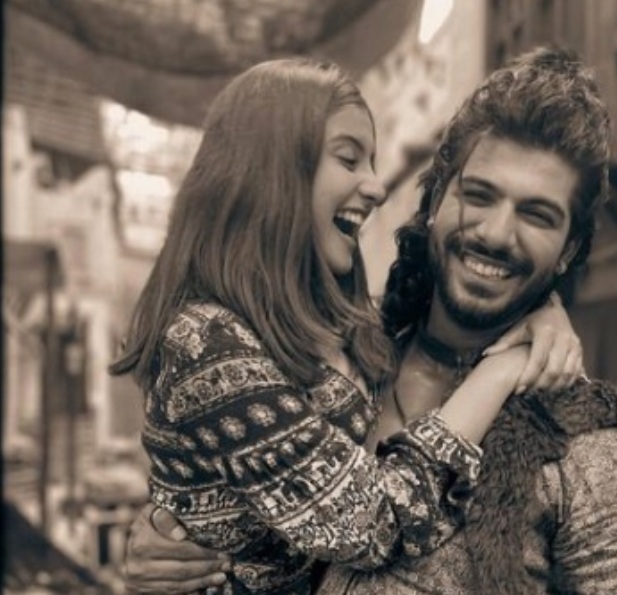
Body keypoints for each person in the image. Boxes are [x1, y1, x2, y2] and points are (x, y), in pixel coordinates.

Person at [110, 56, 585, 595]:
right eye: (348, 158)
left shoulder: (335, 327)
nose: (376, 187)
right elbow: (369, 524)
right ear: (272, 171)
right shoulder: (204, 343)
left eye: (371, 162)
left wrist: (546, 309)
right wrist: (500, 371)